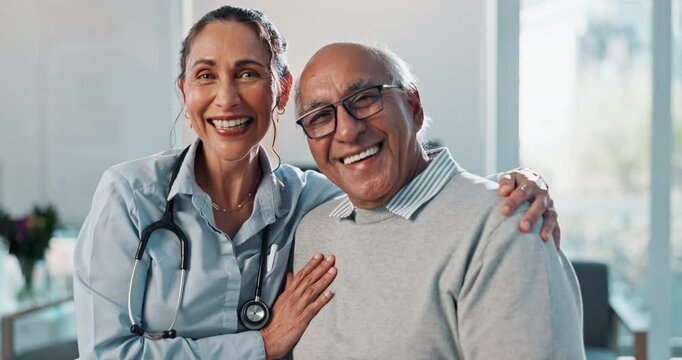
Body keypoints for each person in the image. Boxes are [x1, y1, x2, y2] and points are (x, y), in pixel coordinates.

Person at [73, 6, 560, 360]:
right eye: (205, 76)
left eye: (247, 73)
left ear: (279, 91)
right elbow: (105, 355)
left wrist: (516, 185)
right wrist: (259, 345)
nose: (226, 98)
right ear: (184, 90)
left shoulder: (312, 201)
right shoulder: (131, 197)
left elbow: (404, 182)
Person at [292, 43, 584, 359]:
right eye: (320, 116)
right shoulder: (310, 230)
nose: (347, 131)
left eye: (365, 99)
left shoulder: (506, 227)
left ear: (413, 107)